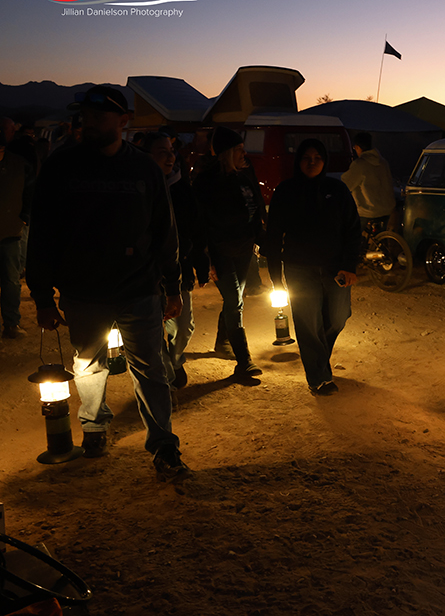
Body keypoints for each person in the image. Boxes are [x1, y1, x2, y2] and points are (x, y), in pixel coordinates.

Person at [25, 86, 189, 481]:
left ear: (124, 121)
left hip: (139, 287)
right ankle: (94, 425)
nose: (89, 123)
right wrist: (43, 297)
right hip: (83, 289)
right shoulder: (62, 167)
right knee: (88, 363)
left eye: (99, 117)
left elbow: (164, 231)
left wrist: (173, 286)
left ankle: (164, 443)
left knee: (150, 367)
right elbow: (43, 234)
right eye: (85, 116)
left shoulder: (145, 169)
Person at [263, 139, 361, 395]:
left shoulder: (337, 190)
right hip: (299, 269)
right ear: (298, 161)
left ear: (324, 160)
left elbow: (352, 230)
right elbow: (273, 235)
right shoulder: (285, 191)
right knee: (308, 323)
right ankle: (318, 377)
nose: (312, 162)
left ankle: (319, 358)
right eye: (307, 157)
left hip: (335, 269)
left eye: (317, 157)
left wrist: (349, 265)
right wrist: (276, 277)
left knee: (338, 318)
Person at [192, 126, 266, 378]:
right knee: (235, 301)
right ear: (226, 152)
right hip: (220, 251)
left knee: (235, 299)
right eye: (238, 149)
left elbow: (256, 205)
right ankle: (243, 361)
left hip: (244, 248)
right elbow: (199, 222)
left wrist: (260, 237)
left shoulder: (243, 176)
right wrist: (206, 258)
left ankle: (221, 343)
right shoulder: (207, 182)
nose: (244, 153)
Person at [140, 132, 206, 389]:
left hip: (178, 268)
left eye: (171, 151)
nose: (169, 157)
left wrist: (198, 258)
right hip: (145, 273)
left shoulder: (180, 187)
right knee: (151, 331)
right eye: (162, 152)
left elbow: (196, 226)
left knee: (182, 325)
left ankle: (175, 359)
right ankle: (166, 376)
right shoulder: (140, 188)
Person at [0, 130, 33, 339]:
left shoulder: (19, 164)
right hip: (10, 228)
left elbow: (30, 192)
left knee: (11, 281)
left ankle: (11, 324)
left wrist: (24, 217)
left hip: (10, 231)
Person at [342, 132, 397, 232]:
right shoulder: (383, 162)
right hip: (387, 209)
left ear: (357, 147)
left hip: (369, 211)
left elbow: (345, 185)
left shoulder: (360, 164)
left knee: (351, 233)